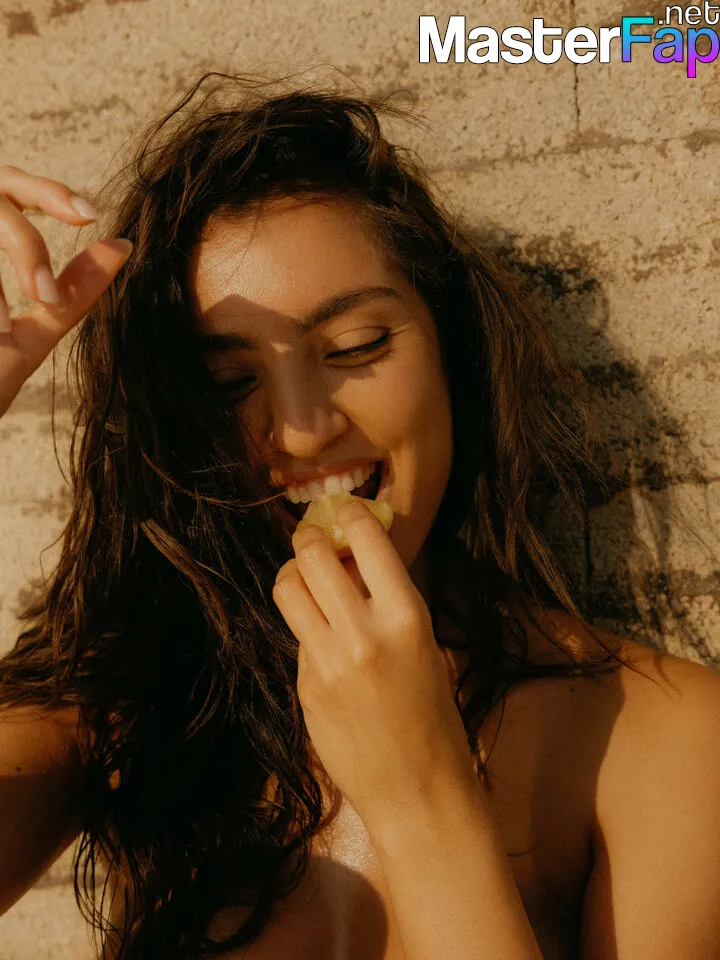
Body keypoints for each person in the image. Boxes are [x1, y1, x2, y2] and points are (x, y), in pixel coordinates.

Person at [0, 72, 718, 960]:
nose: (303, 428)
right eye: (228, 382)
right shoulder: (130, 699)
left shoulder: (664, 741)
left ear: (451, 347)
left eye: (356, 345)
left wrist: (421, 794)